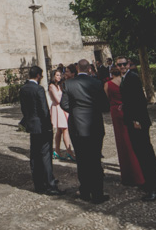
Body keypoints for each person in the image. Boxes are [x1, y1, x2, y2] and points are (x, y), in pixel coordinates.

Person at [61, 59, 109, 203]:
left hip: (77, 127)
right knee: (95, 160)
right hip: (95, 125)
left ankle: (85, 192)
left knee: (82, 161)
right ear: (89, 68)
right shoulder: (96, 83)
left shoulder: (68, 84)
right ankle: (98, 194)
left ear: (77, 68)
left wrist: (76, 112)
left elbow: (64, 104)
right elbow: (105, 106)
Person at [118, 56, 156, 202]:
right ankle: (148, 184)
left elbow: (139, 100)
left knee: (146, 155)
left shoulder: (133, 78)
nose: (122, 66)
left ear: (129, 64)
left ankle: (155, 188)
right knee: (140, 154)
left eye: (124, 64)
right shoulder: (126, 78)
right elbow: (130, 99)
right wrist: (124, 106)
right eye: (119, 65)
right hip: (132, 121)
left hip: (138, 122)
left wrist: (137, 120)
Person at [19, 66, 65, 195]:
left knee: (35, 156)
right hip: (42, 127)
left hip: (32, 127)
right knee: (45, 156)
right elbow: (44, 110)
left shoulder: (23, 89)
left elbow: (24, 109)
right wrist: (49, 126)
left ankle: (38, 184)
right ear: (38, 75)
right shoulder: (38, 89)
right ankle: (50, 185)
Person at [104, 63, 145, 187]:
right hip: (127, 111)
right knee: (132, 141)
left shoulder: (108, 84)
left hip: (116, 112)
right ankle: (139, 174)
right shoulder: (124, 81)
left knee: (122, 143)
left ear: (111, 73)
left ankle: (128, 175)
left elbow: (107, 99)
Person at [48, 69, 76, 162]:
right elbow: (57, 99)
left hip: (62, 108)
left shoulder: (60, 86)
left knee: (60, 131)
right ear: (53, 76)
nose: (59, 77)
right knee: (65, 129)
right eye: (57, 75)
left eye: (60, 75)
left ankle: (57, 151)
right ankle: (69, 151)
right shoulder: (51, 86)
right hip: (58, 108)